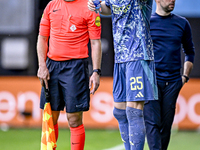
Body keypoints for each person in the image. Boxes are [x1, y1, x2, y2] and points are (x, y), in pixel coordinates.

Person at [88, 0, 158, 149]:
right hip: (120, 57)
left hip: (138, 55)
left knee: (133, 111)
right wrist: (97, 6)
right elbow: (109, 9)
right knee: (119, 111)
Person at [37, 0, 102, 150]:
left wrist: (96, 71)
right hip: (52, 66)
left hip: (76, 67)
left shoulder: (89, 7)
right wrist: (42, 65)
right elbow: (42, 38)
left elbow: (95, 42)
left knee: (74, 119)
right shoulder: (51, 6)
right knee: (50, 117)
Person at [143, 0, 195, 150]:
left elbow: (189, 52)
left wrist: (184, 77)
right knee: (152, 124)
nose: (172, 0)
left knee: (166, 126)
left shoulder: (182, 23)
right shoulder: (147, 22)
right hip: (151, 80)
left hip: (173, 82)